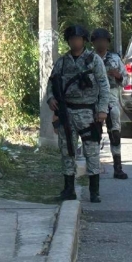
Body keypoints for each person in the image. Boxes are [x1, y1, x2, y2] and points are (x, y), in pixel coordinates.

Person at [47, 25, 110, 203]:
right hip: (67, 112)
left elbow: (104, 86)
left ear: (83, 40)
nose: (75, 42)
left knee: (92, 151)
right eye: (72, 39)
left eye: (78, 39)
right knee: (67, 151)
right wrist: (51, 99)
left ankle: (94, 191)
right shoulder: (63, 62)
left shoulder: (93, 60)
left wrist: (102, 110)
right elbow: (51, 83)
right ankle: (68, 189)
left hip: (89, 113)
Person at [91, 28, 129, 180]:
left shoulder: (115, 59)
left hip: (112, 97)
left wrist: (118, 75)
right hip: (93, 98)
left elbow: (126, 80)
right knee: (94, 134)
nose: (101, 44)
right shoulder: (89, 58)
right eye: (98, 41)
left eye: (104, 41)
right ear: (93, 43)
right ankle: (94, 167)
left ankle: (118, 167)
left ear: (108, 42)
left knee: (115, 131)